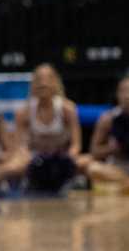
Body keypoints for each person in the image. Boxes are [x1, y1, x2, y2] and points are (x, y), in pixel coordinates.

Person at [18, 63, 82, 193]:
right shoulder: (23, 112)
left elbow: (76, 145)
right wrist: (31, 159)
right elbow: (21, 146)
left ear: (55, 82)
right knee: (13, 166)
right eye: (39, 79)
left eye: (47, 79)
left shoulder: (68, 109)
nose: (43, 83)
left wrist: (66, 160)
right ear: (33, 84)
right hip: (34, 160)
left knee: (86, 163)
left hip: (62, 158)